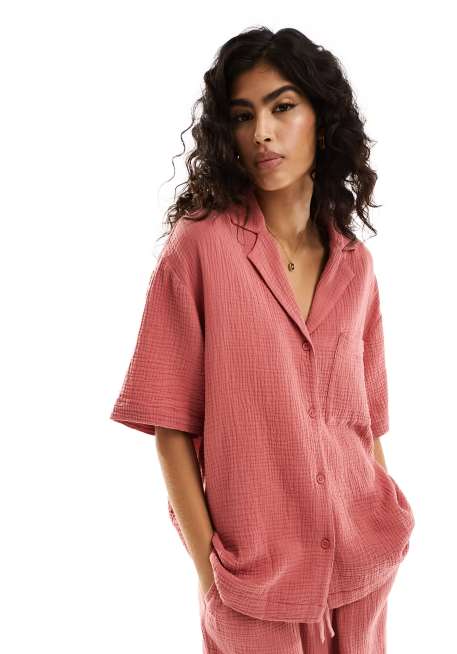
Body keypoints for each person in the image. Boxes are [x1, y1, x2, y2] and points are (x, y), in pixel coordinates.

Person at [110, 26, 415, 653]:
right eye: (244, 116)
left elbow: (366, 427)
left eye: (282, 107)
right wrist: (210, 576)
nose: (262, 133)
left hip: (361, 566)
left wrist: (387, 523)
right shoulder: (200, 247)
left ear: (321, 121)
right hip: (255, 585)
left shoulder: (355, 264)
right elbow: (171, 430)